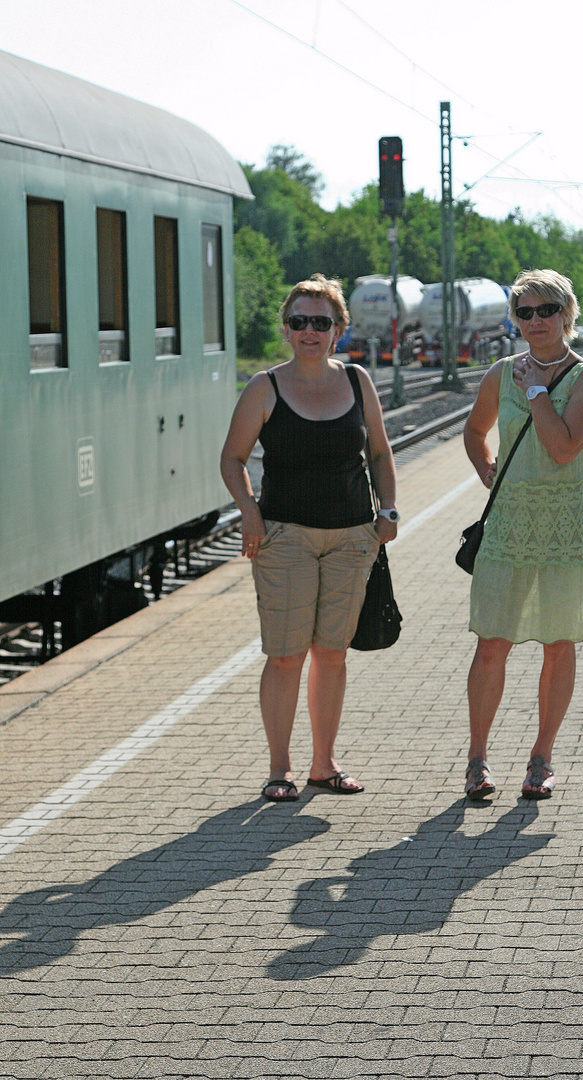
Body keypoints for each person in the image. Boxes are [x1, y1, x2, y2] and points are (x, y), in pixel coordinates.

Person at [220, 274, 398, 801]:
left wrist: (387, 509)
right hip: (285, 537)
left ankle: (324, 764)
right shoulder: (265, 387)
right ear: (286, 328)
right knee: (285, 655)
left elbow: (381, 454)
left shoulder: (359, 381)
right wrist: (250, 513)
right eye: (299, 322)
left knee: (332, 653)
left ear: (339, 329)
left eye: (321, 322)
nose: (309, 331)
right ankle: (281, 768)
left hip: (351, 537)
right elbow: (232, 458)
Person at [462, 269, 583, 801]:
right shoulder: (500, 373)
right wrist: (488, 471)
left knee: (558, 644)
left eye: (545, 310)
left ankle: (541, 756)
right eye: (523, 312)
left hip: (564, 528)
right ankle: (477, 759)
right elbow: (475, 431)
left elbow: (563, 447)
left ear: (567, 314)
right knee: (491, 645)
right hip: (509, 527)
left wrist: (536, 391)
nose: (534, 321)